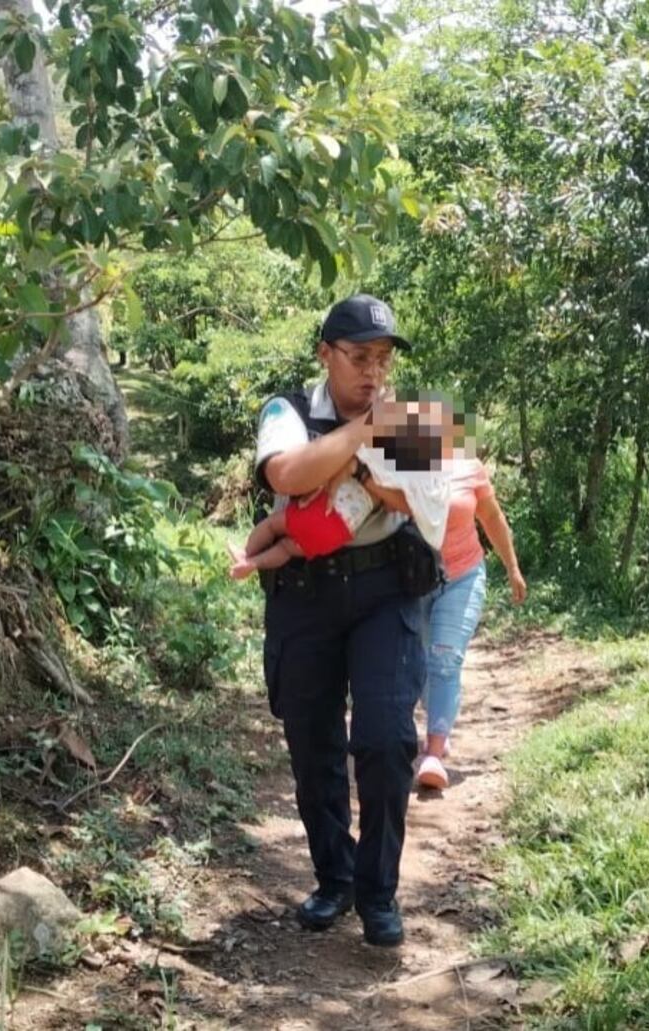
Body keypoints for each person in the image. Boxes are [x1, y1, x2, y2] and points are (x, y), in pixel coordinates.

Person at [254, 294, 442, 948]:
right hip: (305, 591)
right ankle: (333, 878)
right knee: (313, 743)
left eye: (383, 360)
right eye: (360, 357)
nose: (373, 373)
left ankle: (377, 890)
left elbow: (423, 495)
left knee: (387, 737)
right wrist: (363, 440)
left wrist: (381, 455)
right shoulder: (287, 411)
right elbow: (284, 469)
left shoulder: (411, 416)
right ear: (325, 355)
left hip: (388, 586)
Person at [231, 399, 456, 579]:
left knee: (271, 526)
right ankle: (253, 564)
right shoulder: (404, 481)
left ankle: (247, 556)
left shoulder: (376, 456)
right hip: (339, 530)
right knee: (287, 549)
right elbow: (392, 506)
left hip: (322, 508)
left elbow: (337, 465)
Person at [415, 451, 527, 791]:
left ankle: (434, 751)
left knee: (445, 659)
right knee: (418, 663)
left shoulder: (468, 469)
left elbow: (492, 518)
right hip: (413, 580)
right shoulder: (399, 467)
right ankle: (440, 721)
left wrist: (512, 568)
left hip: (462, 576)